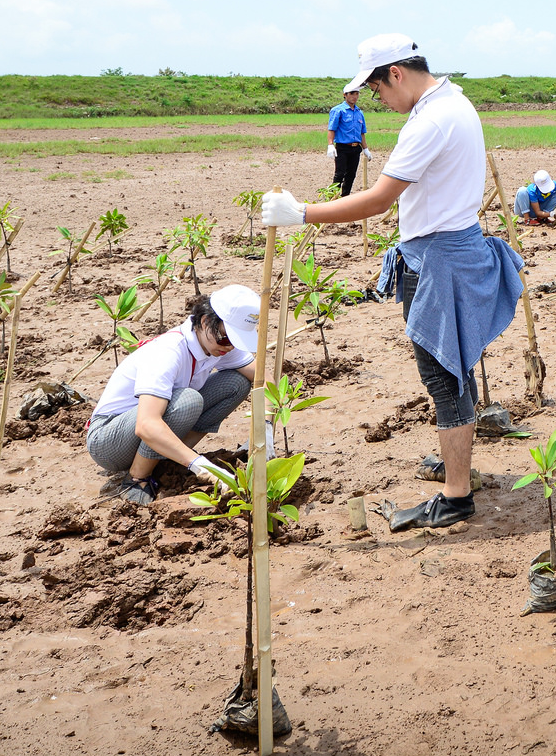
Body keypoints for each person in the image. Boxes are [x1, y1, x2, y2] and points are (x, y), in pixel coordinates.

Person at [261, 34, 523, 532]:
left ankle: (455, 496)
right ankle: (457, 470)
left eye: (378, 89)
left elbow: (378, 200)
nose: (378, 100)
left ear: (396, 74)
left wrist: (302, 213)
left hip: (439, 259)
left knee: (443, 378)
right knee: (455, 367)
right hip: (453, 247)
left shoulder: (430, 121)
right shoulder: (455, 102)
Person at [85, 288, 256, 505]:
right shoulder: (169, 351)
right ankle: (137, 478)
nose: (230, 347)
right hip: (109, 441)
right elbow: (146, 425)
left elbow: (264, 377)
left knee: (236, 383)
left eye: (237, 341)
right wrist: (202, 466)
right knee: (187, 401)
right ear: (204, 322)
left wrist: (266, 430)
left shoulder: (217, 344)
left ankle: (168, 460)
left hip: (144, 429)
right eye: (226, 339)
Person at [326, 82, 366, 201]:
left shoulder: (359, 112)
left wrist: (366, 148)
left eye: (357, 94)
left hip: (355, 148)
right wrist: (330, 145)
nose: (355, 96)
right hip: (343, 148)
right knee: (340, 174)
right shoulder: (338, 110)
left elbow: (362, 132)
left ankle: (344, 199)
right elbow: (332, 129)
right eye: (352, 94)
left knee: (351, 175)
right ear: (345, 95)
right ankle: (332, 199)